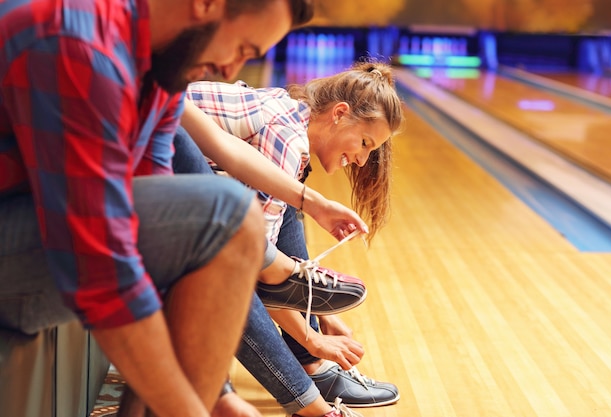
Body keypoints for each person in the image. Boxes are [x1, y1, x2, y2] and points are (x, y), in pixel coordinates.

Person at [0, 1, 369, 416]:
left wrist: (218, 392)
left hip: (41, 231)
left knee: (234, 221)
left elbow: (162, 226)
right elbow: (100, 265)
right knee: (228, 216)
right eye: (244, 48)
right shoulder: (76, 45)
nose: (232, 71)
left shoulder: (158, 68)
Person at [182, 61, 404, 408]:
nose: (362, 160)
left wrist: (320, 315)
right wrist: (312, 336)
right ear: (339, 113)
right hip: (148, 179)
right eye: (364, 142)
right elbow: (252, 266)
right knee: (253, 251)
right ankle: (309, 381)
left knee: (287, 212)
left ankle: (311, 365)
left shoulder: (291, 119)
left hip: (169, 179)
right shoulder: (286, 137)